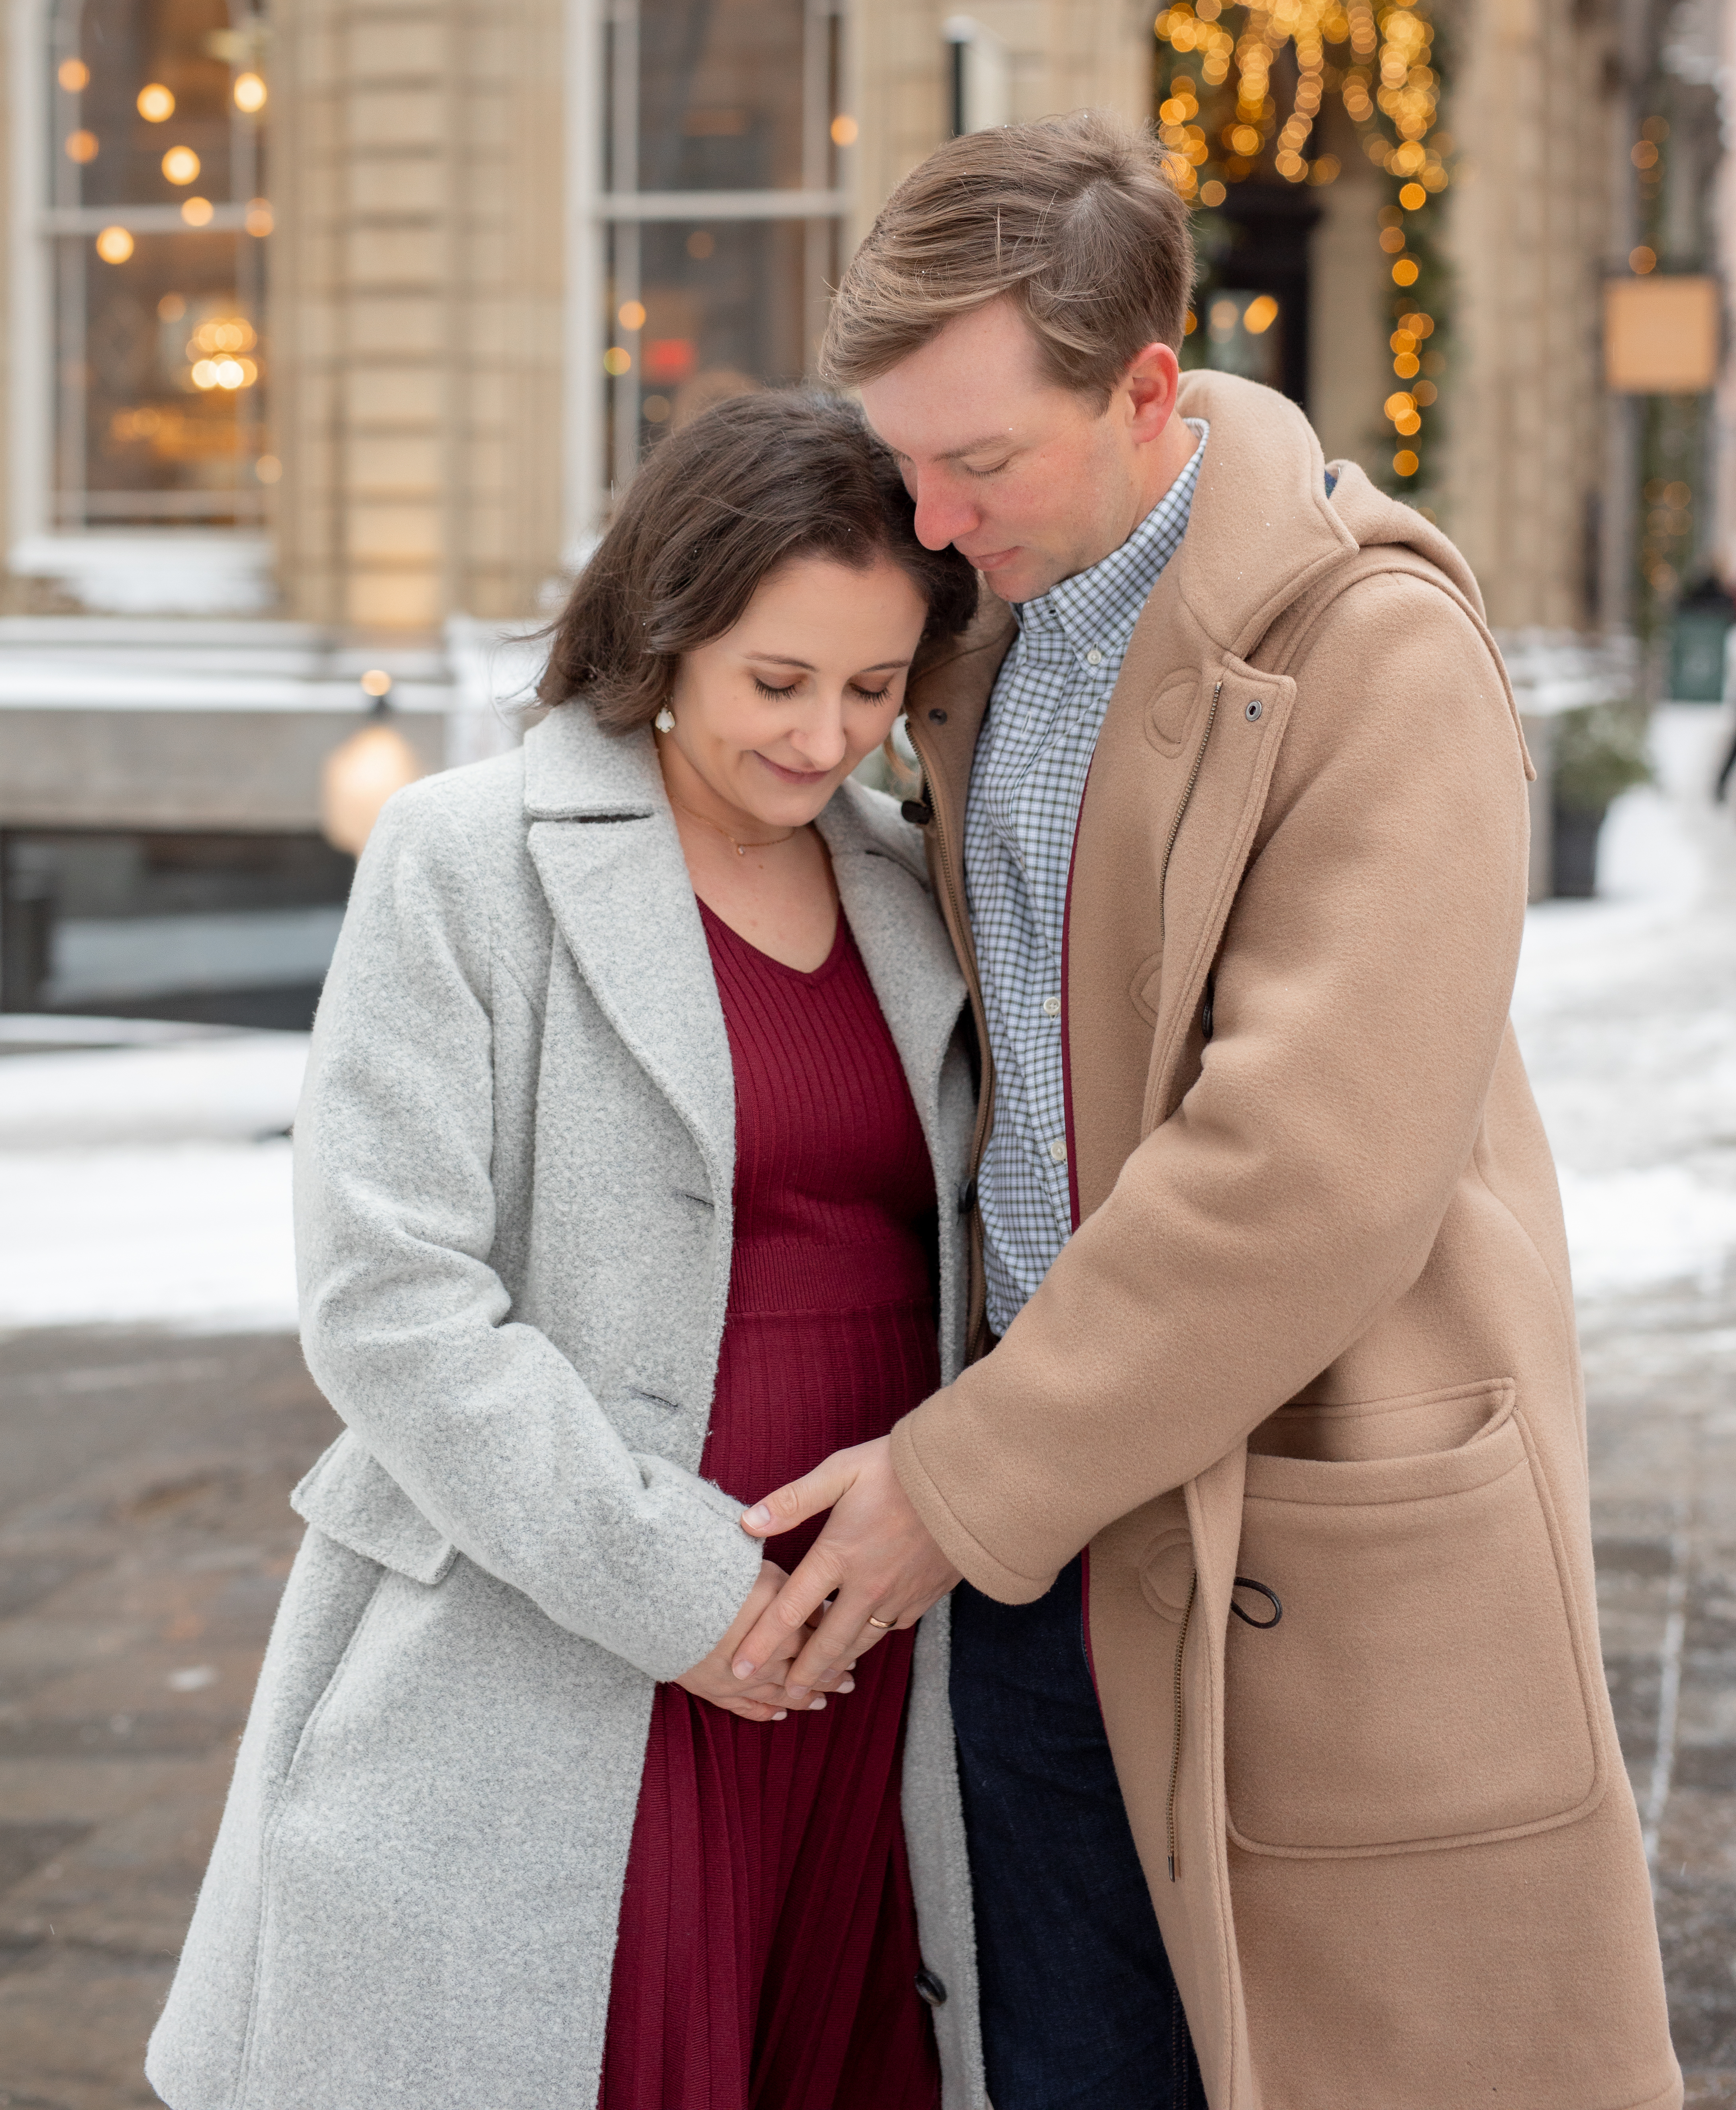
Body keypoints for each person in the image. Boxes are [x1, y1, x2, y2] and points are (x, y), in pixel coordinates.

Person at [726, 113, 1682, 2110]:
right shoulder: (972, 624)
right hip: (1037, 1542)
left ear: (1147, 386)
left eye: (977, 460)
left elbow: (1302, 1174)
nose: (929, 509)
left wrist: (961, 1476)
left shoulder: (1377, 657)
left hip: (1289, 1528)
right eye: (901, 452)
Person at [145, 395, 988, 2110]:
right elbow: (390, 1299)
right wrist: (683, 1593)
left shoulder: (909, 883)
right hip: (571, 1621)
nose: (828, 735)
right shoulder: (467, 858)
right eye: (778, 680)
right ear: (667, 620)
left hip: (872, 1636)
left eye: (873, 686)